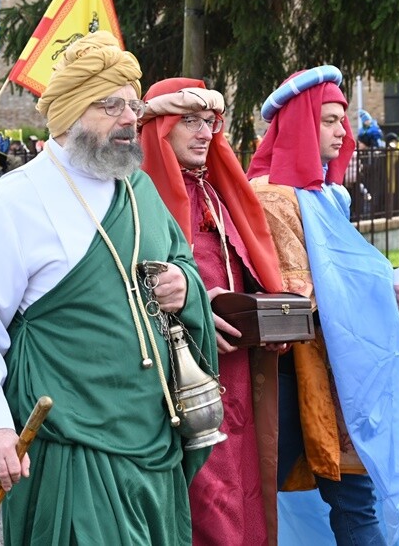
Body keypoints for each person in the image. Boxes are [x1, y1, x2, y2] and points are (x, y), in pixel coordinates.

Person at [0, 31, 217, 544]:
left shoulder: (140, 189)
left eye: (133, 104)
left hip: (153, 433)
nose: (130, 117)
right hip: (69, 438)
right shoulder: (16, 199)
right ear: (68, 114)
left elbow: (180, 262)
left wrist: (182, 285)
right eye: (111, 105)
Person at [248, 67, 399, 546]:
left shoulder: (325, 196)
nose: (342, 131)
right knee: (258, 505)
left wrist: (384, 283)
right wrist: (379, 292)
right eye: (329, 120)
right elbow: (295, 294)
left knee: (354, 499)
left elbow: (340, 274)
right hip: (289, 379)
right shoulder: (270, 197)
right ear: (301, 124)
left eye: (342, 119)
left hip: (338, 375)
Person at [138, 78, 287, 545]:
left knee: (243, 482)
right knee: (205, 493)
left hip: (237, 366)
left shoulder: (216, 192)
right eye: (190, 121)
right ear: (161, 128)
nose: (205, 133)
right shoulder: (139, 199)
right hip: (178, 374)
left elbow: (251, 269)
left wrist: (273, 311)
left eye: (210, 121)